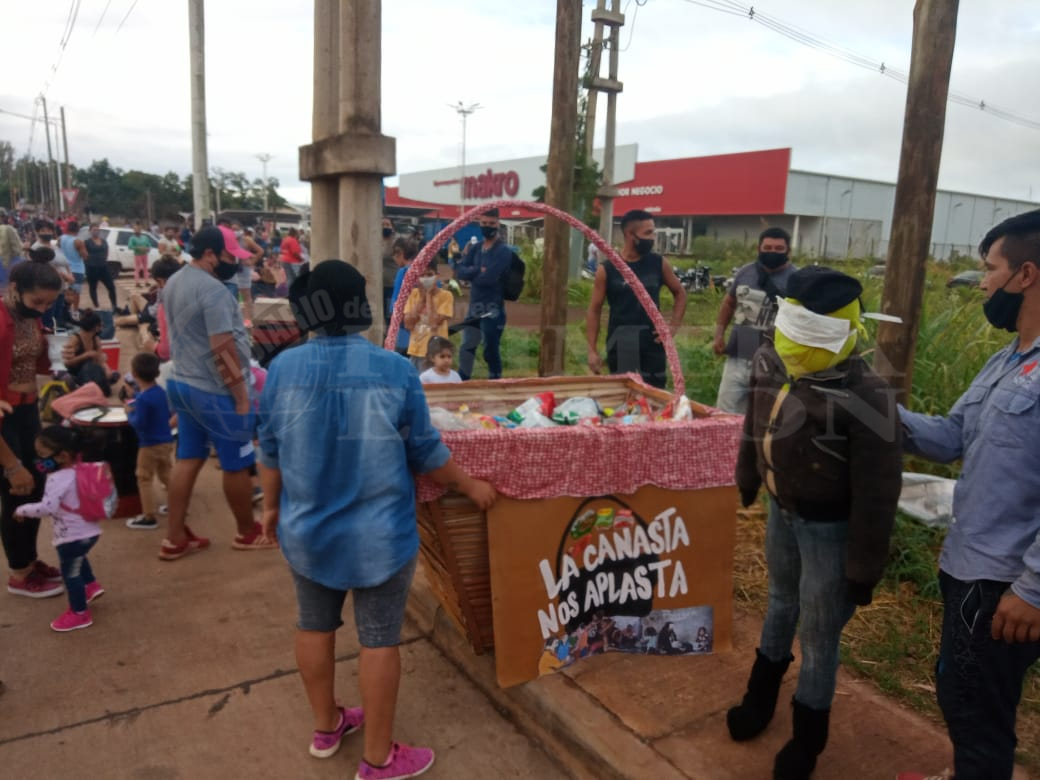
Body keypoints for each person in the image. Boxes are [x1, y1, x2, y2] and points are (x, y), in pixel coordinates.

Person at [258, 259, 496, 777]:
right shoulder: (393, 370)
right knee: (379, 638)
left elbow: (270, 449)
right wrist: (471, 485)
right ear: (360, 307)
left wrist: (272, 508)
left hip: (307, 533)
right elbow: (427, 451)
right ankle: (378, 758)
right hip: (380, 538)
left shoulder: (282, 369)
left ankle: (327, 727)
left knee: (314, 624)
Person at [729, 266, 902, 780]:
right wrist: (748, 475)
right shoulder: (770, 358)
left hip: (830, 528)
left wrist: (864, 566)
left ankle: (808, 737)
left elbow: (879, 490)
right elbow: (753, 420)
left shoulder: (868, 395)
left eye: (813, 335)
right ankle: (760, 698)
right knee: (780, 602)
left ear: (846, 332)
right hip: (782, 513)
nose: (796, 346)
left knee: (821, 632)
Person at [898, 210, 1040, 780]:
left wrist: (1033, 587)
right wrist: (867, 405)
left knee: (976, 706)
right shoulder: (1005, 360)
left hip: (1006, 582)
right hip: (969, 565)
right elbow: (951, 437)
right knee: (963, 691)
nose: (982, 283)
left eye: (990, 269)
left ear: (1025, 274)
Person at [160, 225, 276, 561]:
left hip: (184, 382)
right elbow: (221, 347)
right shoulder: (213, 292)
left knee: (188, 457)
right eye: (229, 257)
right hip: (217, 391)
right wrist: (240, 395)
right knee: (236, 463)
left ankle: (174, 536)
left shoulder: (175, 282)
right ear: (210, 254)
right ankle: (246, 531)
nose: (234, 264)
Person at [1, 261, 65, 598]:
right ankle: (18, 573)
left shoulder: (29, 318)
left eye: (48, 303)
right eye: (37, 301)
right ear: (15, 289)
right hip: (4, 418)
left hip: (27, 411)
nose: (42, 308)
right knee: (16, 487)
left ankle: (29, 559)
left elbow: (37, 361)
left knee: (38, 484)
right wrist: (10, 464)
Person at [14, 425, 104, 632]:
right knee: (79, 558)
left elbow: (48, 507)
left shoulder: (56, 478)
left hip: (71, 536)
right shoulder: (80, 468)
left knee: (70, 573)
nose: (39, 460)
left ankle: (79, 613)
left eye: (42, 455)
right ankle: (91, 586)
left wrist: (22, 509)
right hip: (90, 532)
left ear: (62, 456)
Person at [586, 209, 687, 389]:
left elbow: (680, 293)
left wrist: (672, 327)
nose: (652, 237)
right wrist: (592, 350)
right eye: (647, 233)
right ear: (629, 235)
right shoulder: (608, 269)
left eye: (653, 232)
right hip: (621, 343)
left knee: (656, 396)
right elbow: (594, 309)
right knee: (624, 396)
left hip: (652, 344)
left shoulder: (658, 263)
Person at [713, 227, 797, 414]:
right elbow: (729, 303)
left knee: (764, 418)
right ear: (759, 248)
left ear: (788, 252)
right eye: (767, 248)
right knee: (724, 413)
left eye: (778, 248)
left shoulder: (796, 280)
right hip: (737, 358)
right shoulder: (745, 273)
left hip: (774, 363)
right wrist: (719, 335)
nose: (772, 252)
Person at [454, 208, 511, 380]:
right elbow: (460, 271)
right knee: (466, 347)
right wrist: (479, 270)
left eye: (491, 224)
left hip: (493, 308)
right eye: (484, 223)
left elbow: (489, 277)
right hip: (475, 306)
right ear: (479, 223)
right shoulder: (476, 248)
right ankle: (463, 381)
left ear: (498, 224)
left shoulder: (503, 251)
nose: (487, 227)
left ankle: (496, 382)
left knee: (490, 349)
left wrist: (473, 272)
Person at [124, 352, 174, 531]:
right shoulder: (159, 392)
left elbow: (140, 424)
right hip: (166, 441)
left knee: (144, 477)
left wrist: (129, 413)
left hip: (149, 444)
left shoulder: (143, 399)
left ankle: (148, 515)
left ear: (134, 374)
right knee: (166, 474)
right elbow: (165, 413)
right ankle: (176, 504)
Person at [403, 255, 454, 368]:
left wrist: (429, 295)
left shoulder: (446, 296)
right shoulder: (414, 295)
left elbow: (434, 323)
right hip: (415, 351)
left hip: (435, 354)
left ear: (437, 276)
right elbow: (408, 324)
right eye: (422, 275)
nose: (426, 278)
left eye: (430, 275)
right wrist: (422, 299)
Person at [62, 310, 115, 397]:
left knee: (111, 374)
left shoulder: (96, 339)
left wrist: (106, 369)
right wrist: (86, 355)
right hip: (76, 372)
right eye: (100, 325)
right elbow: (67, 363)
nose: (102, 328)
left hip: (92, 371)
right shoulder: (75, 339)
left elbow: (100, 360)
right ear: (96, 327)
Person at [388, 237, 417, 356]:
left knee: (401, 353)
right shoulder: (422, 269)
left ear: (400, 253)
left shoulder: (403, 271)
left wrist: (393, 314)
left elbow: (397, 298)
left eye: (394, 256)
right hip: (421, 318)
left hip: (403, 319)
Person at [84, 223, 117, 310]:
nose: (96, 231)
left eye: (97, 229)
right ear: (90, 231)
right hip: (92, 268)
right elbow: (84, 255)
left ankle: (114, 305)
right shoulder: (87, 242)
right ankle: (96, 306)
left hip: (103, 267)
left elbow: (106, 252)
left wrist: (103, 259)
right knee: (93, 287)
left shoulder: (104, 241)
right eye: (94, 230)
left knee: (111, 286)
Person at [381, 218, 396, 327]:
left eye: (388, 224)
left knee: (389, 313)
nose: (385, 227)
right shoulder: (375, 240)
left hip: (391, 284)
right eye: (383, 224)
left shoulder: (395, 243)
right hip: (379, 284)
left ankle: (391, 337)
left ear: (392, 227)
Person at [128, 222, 152, 288]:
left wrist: (148, 248)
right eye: (135, 229)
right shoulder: (132, 238)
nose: (137, 230)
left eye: (138, 229)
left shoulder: (145, 237)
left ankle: (146, 282)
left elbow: (149, 244)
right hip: (137, 255)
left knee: (145, 269)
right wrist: (137, 247)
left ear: (141, 229)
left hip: (145, 254)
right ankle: (137, 283)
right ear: (134, 230)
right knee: (137, 269)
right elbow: (129, 246)